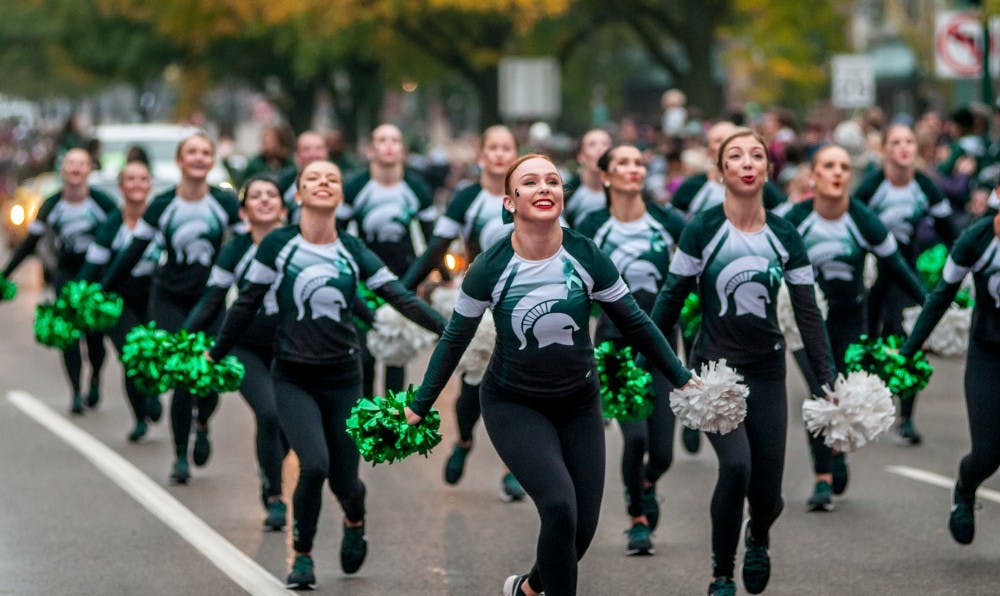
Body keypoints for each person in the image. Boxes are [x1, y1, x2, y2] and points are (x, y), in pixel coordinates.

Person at [404, 154, 695, 596]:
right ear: (509, 201)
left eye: (553, 181)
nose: (544, 188)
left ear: (563, 196)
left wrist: (682, 378)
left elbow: (636, 322)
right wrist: (420, 405)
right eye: (530, 182)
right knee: (559, 506)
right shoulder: (490, 265)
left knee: (581, 530)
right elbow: (454, 340)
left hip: (579, 403)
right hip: (513, 403)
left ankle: (527, 588)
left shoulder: (585, 255)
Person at [206, 160, 446, 589]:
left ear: (340, 196)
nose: (323, 183)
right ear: (297, 195)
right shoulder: (278, 245)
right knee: (313, 465)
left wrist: (452, 331)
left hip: (343, 380)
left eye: (332, 179)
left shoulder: (352, 250)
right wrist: (215, 353)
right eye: (312, 178)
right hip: (293, 378)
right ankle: (302, 556)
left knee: (345, 480)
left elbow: (399, 297)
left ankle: (355, 518)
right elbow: (245, 304)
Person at [650, 129, 835, 596]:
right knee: (735, 468)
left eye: (757, 156)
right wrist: (653, 361)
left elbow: (807, 312)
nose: (748, 162)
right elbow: (670, 301)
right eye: (736, 156)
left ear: (767, 171)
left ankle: (758, 535)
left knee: (769, 494)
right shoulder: (703, 230)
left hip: (768, 369)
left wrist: (826, 378)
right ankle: (720, 572)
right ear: (721, 171)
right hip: (716, 373)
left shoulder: (785, 234)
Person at [783, 145, 925, 511]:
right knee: (820, 390)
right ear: (812, 175)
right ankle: (822, 479)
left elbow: (896, 267)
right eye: (828, 166)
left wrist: (932, 305)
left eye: (844, 167)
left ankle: (837, 452)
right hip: (805, 321)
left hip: (850, 318)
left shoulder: (862, 219)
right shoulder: (795, 218)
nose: (837, 172)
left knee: (841, 391)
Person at [100, 132, 241, 484]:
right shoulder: (162, 205)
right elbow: (132, 251)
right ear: (180, 161)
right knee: (181, 377)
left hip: (210, 300)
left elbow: (245, 246)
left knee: (207, 379)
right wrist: (102, 289)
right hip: (169, 299)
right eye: (191, 152)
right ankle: (180, 457)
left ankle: (203, 421)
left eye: (204, 152)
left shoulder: (224, 203)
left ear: (210, 161)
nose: (198, 158)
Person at [400, 125, 526, 501]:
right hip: (481, 301)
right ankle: (466, 439)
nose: (500, 154)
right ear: (482, 155)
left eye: (508, 148)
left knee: (520, 387)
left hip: (523, 301)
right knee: (473, 385)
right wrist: (403, 292)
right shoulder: (467, 197)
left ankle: (513, 467)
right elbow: (437, 247)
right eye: (494, 148)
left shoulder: (529, 191)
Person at [576, 145, 686, 556]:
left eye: (639, 162)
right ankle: (637, 519)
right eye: (622, 163)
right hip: (614, 347)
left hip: (660, 345)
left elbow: (698, 260)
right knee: (635, 438)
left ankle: (647, 482)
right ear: (605, 176)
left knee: (661, 453)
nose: (633, 169)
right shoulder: (592, 225)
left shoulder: (666, 220)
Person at [183, 175, 289, 531]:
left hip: (291, 346)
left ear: (284, 208)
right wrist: (181, 340)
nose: (263, 200)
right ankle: (274, 495)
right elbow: (212, 298)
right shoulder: (235, 249)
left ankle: (269, 465)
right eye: (255, 196)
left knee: (287, 427)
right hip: (245, 346)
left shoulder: (298, 243)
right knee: (269, 413)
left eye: (271, 194)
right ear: (244, 212)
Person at [900, 209, 1000, 546]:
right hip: (989, 352)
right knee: (988, 453)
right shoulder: (978, 239)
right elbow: (941, 295)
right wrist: (908, 350)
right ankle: (965, 488)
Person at [854, 123, 957, 445]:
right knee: (868, 338)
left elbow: (951, 234)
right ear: (884, 149)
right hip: (873, 276)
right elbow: (849, 223)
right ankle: (863, 406)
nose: (904, 148)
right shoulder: (872, 187)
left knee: (908, 337)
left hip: (907, 273)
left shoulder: (925, 186)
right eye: (896, 141)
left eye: (909, 141)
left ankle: (907, 418)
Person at [1, 148, 118, 413]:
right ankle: (76, 391)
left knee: (95, 339)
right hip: (66, 274)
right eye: (70, 164)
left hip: (96, 279)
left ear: (89, 170)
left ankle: (96, 377)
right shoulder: (52, 204)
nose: (76, 169)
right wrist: (5, 274)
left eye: (81, 164)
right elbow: (29, 243)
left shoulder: (103, 203)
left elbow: (122, 240)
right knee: (68, 336)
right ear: (62, 170)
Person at [338, 124, 438, 397]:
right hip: (362, 281)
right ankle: (366, 421)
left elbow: (433, 242)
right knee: (365, 356)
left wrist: (432, 279)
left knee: (396, 355)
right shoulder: (356, 187)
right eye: (382, 140)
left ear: (402, 150)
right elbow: (337, 235)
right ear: (370, 150)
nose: (389, 145)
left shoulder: (417, 188)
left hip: (403, 279)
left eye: (395, 140)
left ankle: (394, 426)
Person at [79, 160, 163, 440]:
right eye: (131, 179)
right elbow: (93, 263)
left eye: (143, 179)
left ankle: (152, 391)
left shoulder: (161, 218)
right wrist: (79, 295)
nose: (137, 184)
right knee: (130, 355)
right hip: (119, 298)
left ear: (150, 184)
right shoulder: (113, 222)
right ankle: (139, 416)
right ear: (121, 186)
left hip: (153, 295)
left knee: (154, 351)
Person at [671, 121, 787, 219]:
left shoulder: (762, 186)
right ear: (708, 151)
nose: (726, 144)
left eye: (731, 138)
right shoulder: (691, 187)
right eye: (719, 140)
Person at [562, 129, 613, 229]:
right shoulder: (568, 191)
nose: (600, 149)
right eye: (592, 144)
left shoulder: (620, 190)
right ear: (581, 156)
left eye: (605, 144)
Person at [276, 130, 329, 223]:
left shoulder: (340, 182)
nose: (313, 154)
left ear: (327, 153)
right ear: (296, 155)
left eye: (319, 148)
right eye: (306, 149)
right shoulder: (283, 183)